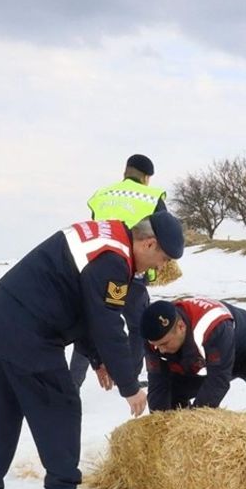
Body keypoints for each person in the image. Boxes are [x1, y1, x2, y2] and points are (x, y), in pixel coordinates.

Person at [0, 212, 185, 489]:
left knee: (0, 414)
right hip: (30, 332)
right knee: (61, 406)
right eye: (161, 258)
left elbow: (82, 304)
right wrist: (130, 386)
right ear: (148, 243)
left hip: (1, 321)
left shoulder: (108, 236)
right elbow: (106, 324)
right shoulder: (115, 261)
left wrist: (96, 358)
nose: (158, 267)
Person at [70, 154, 167, 389]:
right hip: (131, 267)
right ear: (146, 177)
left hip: (98, 267)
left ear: (126, 171)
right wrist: (153, 273)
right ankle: (129, 377)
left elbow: (96, 227)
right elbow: (161, 233)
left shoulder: (102, 195)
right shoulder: (151, 196)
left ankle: (72, 382)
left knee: (92, 322)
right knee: (137, 325)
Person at [140, 298, 246, 415]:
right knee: (171, 393)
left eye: (164, 344)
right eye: (157, 345)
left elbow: (218, 380)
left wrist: (194, 421)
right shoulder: (154, 341)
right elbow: (158, 386)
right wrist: (160, 425)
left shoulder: (212, 325)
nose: (161, 350)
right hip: (205, 359)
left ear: (180, 327)